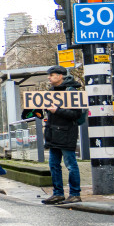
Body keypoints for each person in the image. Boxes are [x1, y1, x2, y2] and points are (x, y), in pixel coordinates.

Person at [34, 65, 83, 205]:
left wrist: (57, 110)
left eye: (52, 75)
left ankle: (74, 193)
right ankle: (58, 193)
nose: (49, 77)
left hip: (66, 133)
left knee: (71, 164)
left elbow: (76, 114)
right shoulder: (51, 91)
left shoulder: (71, 91)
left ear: (60, 76)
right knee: (54, 165)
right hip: (53, 133)